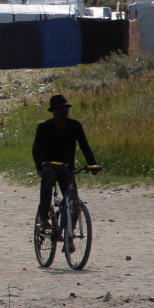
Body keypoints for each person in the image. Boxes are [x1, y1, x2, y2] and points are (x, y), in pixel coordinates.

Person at [33, 94, 100, 233]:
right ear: (53, 111)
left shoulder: (74, 126)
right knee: (49, 177)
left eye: (65, 109)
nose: (63, 112)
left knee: (73, 201)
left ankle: (70, 236)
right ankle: (44, 218)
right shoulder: (44, 127)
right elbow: (36, 150)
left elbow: (84, 146)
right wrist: (42, 164)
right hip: (48, 166)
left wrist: (92, 165)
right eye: (59, 109)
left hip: (66, 167)